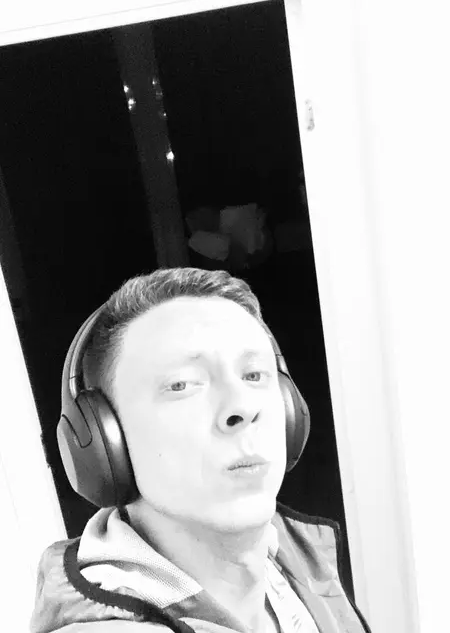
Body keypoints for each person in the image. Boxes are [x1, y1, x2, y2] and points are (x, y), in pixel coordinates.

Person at [30, 267, 371, 633]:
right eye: (181, 384)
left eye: (254, 375)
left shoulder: (296, 557)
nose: (242, 406)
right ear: (103, 441)